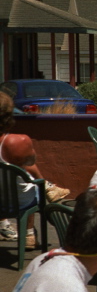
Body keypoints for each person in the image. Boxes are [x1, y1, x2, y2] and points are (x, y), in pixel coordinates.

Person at [0, 92, 70, 248]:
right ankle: (29, 234)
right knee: (30, 183)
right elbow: (30, 161)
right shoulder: (18, 141)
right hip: (18, 202)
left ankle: (5, 225)